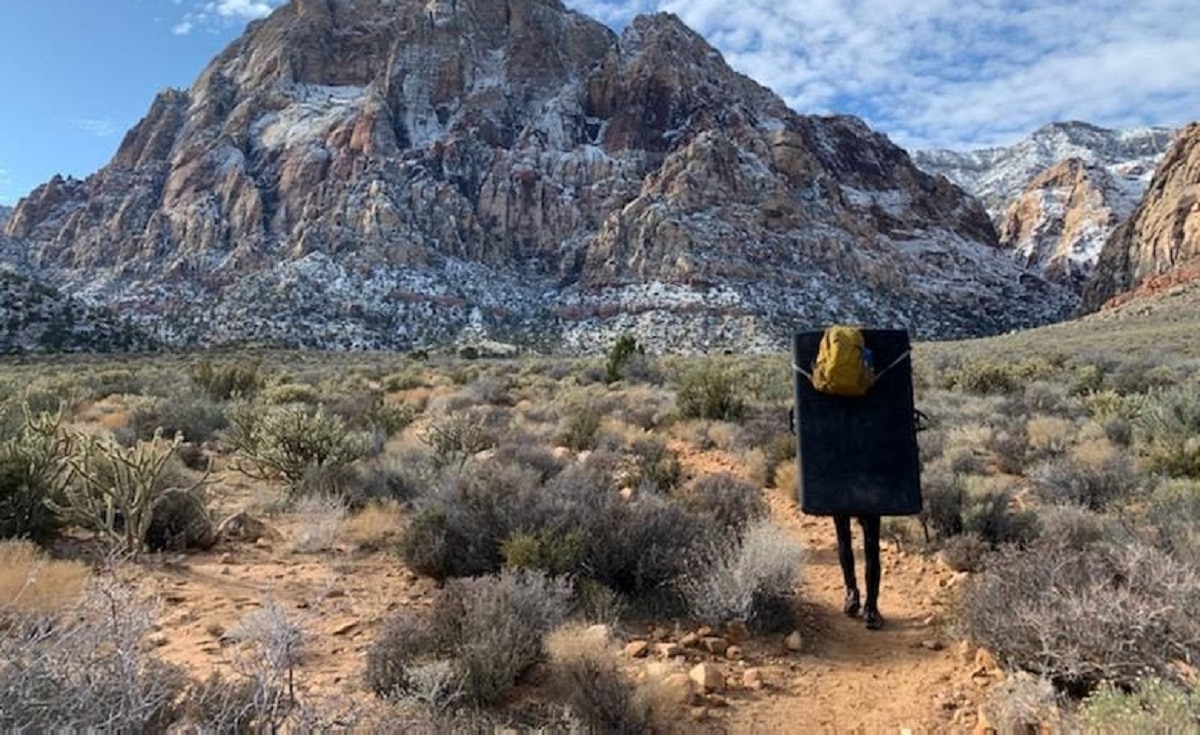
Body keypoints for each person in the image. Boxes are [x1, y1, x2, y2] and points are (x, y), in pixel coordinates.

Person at [833, 513, 883, 630]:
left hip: (841, 495)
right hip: (870, 496)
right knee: (872, 545)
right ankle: (871, 608)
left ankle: (851, 593)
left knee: (843, 537)